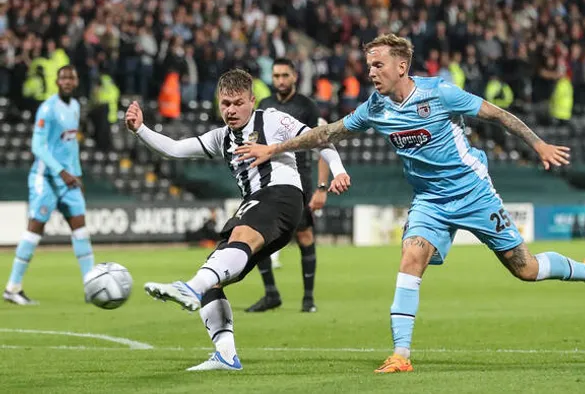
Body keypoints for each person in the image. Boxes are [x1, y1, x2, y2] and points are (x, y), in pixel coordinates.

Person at [236, 34, 585, 374]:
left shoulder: (439, 92)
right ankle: (400, 354)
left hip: (473, 191)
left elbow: (498, 115)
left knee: (525, 269)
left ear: (401, 65)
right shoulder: (375, 107)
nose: (370, 72)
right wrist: (275, 148)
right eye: (368, 65)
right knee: (410, 258)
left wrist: (538, 143)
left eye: (378, 65)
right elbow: (328, 132)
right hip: (430, 201)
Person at [125, 69, 350, 371]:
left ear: (252, 101)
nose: (231, 110)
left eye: (237, 103)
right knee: (214, 276)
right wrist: (141, 129)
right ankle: (225, 354)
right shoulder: (222, 137)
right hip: (258, 205)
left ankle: (189, 288)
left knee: (233, 244)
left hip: (281, 196)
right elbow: (176, 149)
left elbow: (319, 138)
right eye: (225, 103)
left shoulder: (271, 119)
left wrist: (338, 171)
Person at [4, 65, 95, 305]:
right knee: (35, 229)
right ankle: (13, 287)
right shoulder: (47, 108)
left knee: (81, 231)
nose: (66, 81)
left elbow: (71, 145)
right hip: (45, 178)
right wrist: (62, 172)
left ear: (75, 82)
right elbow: (38, 147)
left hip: (69, 179)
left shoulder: (75, 107)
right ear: (57, 81)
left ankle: (91, 287)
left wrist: (77, 173)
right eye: (63, 77)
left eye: (71, 77)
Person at [245, 58, 330, 313]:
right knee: (257, 236)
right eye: (276, 76)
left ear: (294, 76)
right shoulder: (265, 105)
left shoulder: (307, 106)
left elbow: (322, 144)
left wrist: (322, 187)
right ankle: (271, 293)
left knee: (304, 235)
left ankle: (308, 299)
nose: (280, 80)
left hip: (298, 180)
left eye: (285, 75)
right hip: (267, 179)